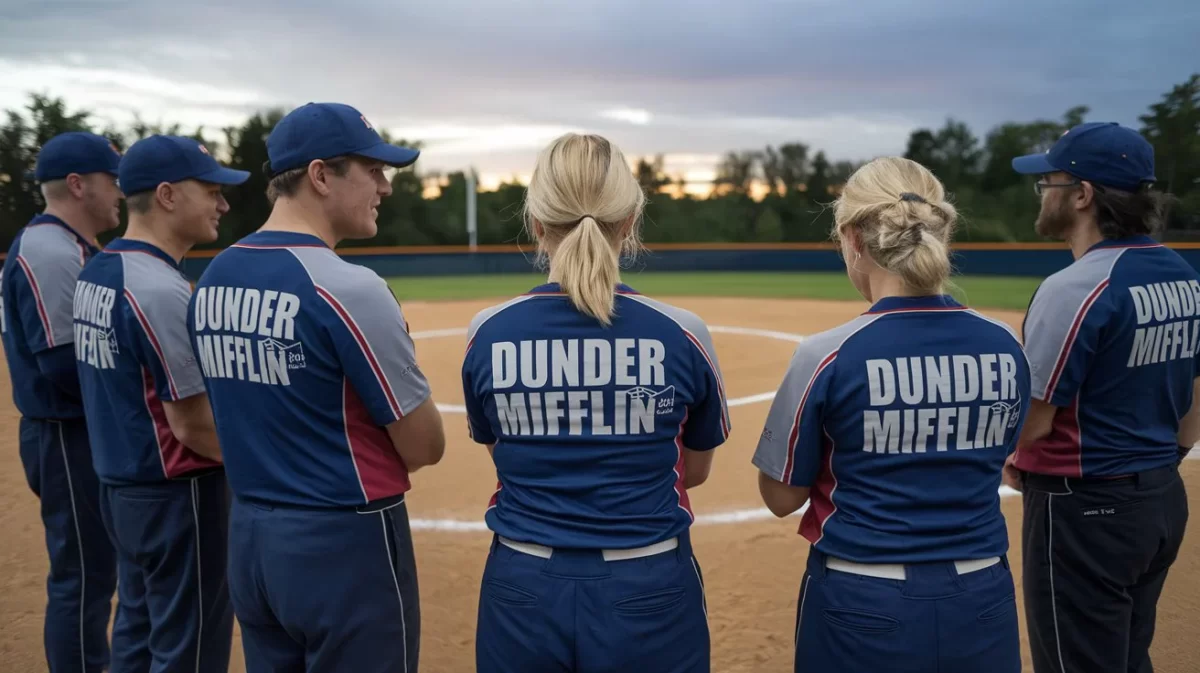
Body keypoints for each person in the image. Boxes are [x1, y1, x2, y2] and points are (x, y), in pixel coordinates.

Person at [188, 101, 445, 673]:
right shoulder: (349, 287)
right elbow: (425, 447)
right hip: (344, 543)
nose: (385, 187)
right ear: (321, 175)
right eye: (372, 170)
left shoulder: (214, 276)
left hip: (252, 537)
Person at [461, 132, 728, 673]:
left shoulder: (487, 332)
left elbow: (502, 451)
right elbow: (691, 471)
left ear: (536, 223)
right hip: (648, 584)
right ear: (630, 221)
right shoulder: (682, 332)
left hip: (523, 586)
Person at [752, 156, 1031, 673]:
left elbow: (780, 497)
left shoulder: (827, 354)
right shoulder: (1005, 343)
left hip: (864, 597)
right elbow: (1005, 455)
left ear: (854, 239)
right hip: (982, 591)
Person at [1007, 121, 1194, 673]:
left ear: (1083, 195)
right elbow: (1195, 400)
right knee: (1128, 657)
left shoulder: (1075, 287)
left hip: (1083, 509)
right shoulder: (1183, 274)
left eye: (1050, 181)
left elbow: (1032, 423)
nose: (1042, 193)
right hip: (1160, 499)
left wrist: (1011, 455)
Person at [72, 134, 248, 672]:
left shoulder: (98, 269)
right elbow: (192, 424)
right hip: (178, 494)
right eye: (211, 191)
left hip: (122, 485)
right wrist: (263, 465)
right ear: (168, 195)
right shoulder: (159, 290)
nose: (223, 204)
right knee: (188, 645)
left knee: (138, 628)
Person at [1, 131, 122, 673]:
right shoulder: (50, 251)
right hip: (64, 435)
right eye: (113, 179)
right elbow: (63, 364)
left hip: (74, 432)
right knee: (83, 576)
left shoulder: (69, 246)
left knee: (96, 570)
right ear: (78, 185)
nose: (121, 191)